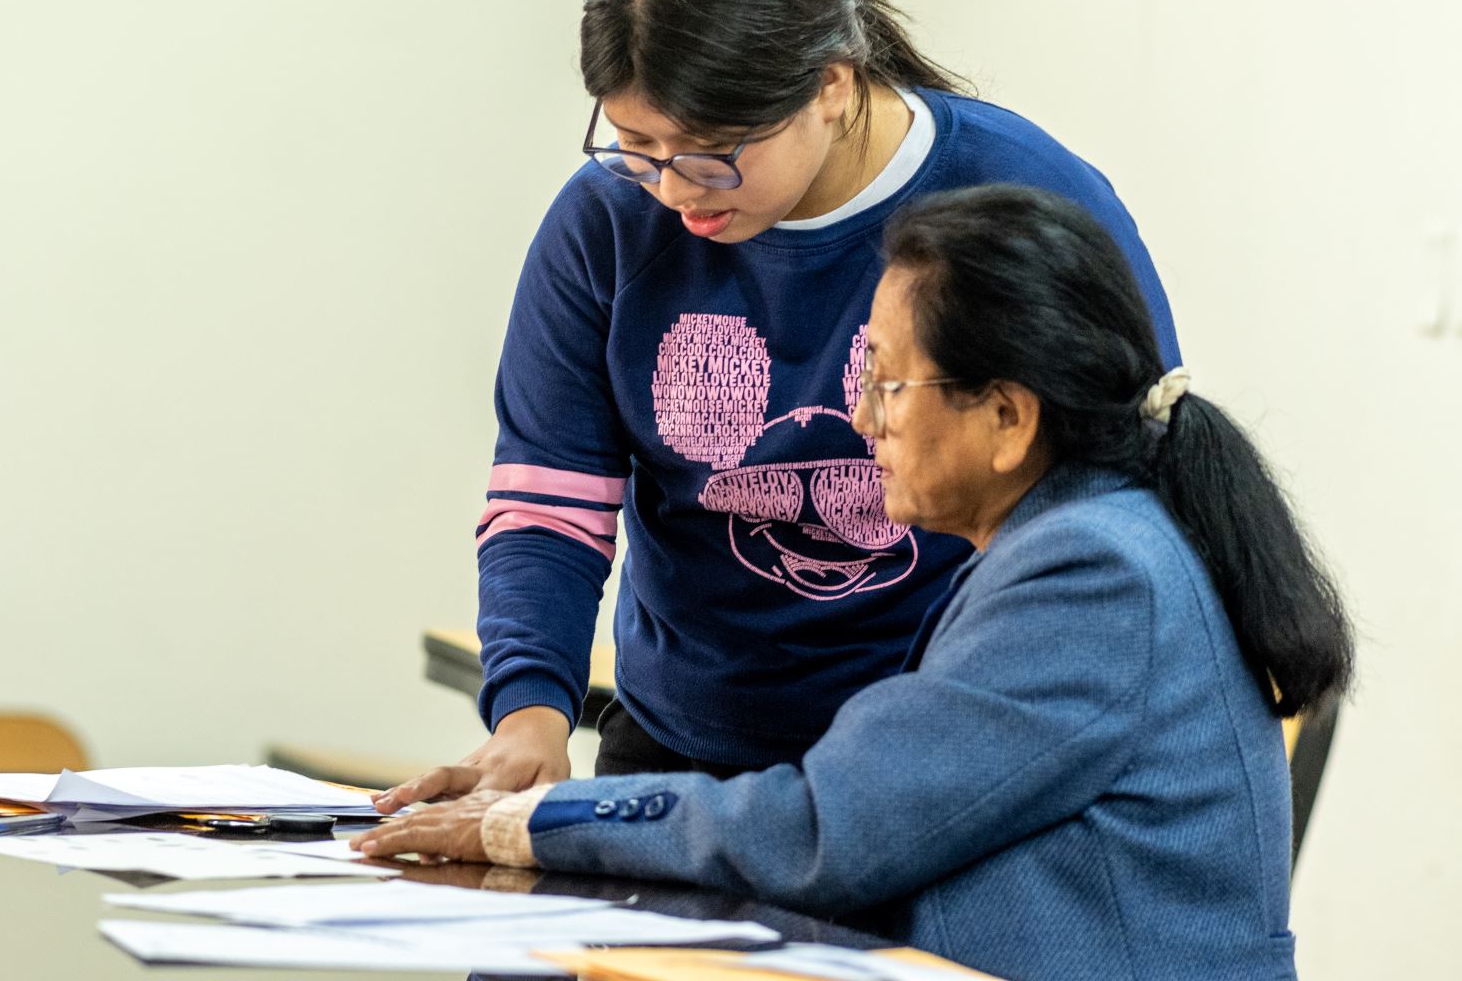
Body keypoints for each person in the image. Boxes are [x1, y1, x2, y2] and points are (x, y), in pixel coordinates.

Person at [355, 184, 1354, 981]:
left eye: (885, 382)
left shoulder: (1092, 575)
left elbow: (830, 830)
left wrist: (528, 825)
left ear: (1007, 419)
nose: (863, 420)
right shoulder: (1090, 535)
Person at [384, 0, 1180, 803]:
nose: (677, 192)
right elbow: (550, 502)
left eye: (713, 151)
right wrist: (529, 716)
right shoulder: (606, 223)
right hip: (683, 748)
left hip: (945, 760)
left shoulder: (1017, 202)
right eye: (637, 146)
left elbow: (1115, 508)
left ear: (831, 85)